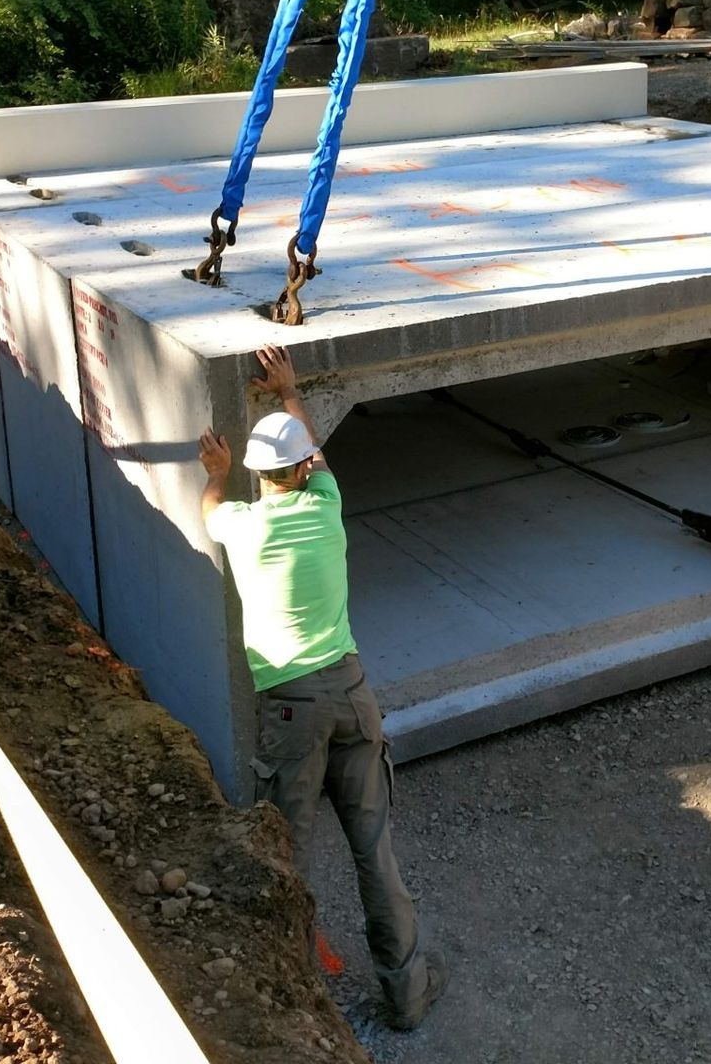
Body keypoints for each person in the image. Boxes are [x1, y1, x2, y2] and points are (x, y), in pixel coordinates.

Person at [198, 344, 446, 1029]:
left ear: (258, 474)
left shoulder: (243, 528)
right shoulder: (327, 504)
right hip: (352, 693)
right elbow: (317, 460)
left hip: (292, 709)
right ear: (306, 468)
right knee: (375, 850)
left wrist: (216, 473)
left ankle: (298, 1008)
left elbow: (211, 505)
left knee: (290, 854)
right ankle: (407, 992)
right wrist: (289, 392)